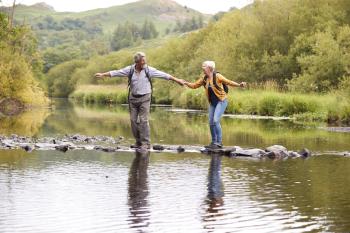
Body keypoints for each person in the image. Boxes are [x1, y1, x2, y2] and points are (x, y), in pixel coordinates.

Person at [95, 52, 184, 150]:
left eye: (145, 61)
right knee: (133, 120)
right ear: (137, 62)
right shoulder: (130, 70)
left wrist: (177, 80)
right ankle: (138, 142)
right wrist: (103, 74)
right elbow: (117, 72)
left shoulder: (148, 70)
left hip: (145, 97)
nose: (144, 63)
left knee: (143, 120)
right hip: (133, 98)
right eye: (143, 62)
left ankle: (146, 143)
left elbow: (164, 75)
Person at [184, 61, 246, 149]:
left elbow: (229, 82)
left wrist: (239, 85)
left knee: (216, 120)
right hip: (212, 103)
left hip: (221, 101)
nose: (202, 68)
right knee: (211, 122)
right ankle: (214, 142)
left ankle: (219, 142)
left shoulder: (217, 76)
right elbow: (194, 85)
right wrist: (185, 83)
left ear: (209, 68)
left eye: (204, 66)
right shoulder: (204, 78)